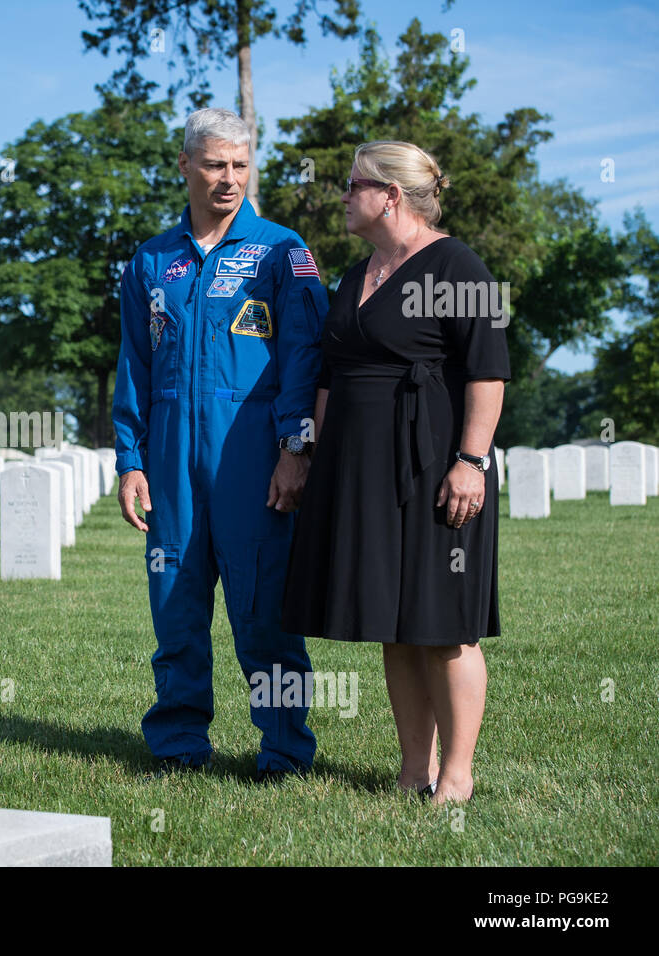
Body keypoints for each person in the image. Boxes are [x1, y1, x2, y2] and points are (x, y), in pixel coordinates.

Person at [281, 141, 509, 805]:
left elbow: (488, 371)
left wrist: (471, 462)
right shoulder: (357, 275)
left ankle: (458, 775)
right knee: (395, 622)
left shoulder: (457, 264)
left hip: (434, 465)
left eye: (354, 186)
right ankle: (415, 769)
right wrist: (315, 456)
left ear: (391, 195)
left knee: (443, 625)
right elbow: (329, 374)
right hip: (361, 473)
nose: (343, 196)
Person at [113, 108, 329, 781]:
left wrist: (297, 449)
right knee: (175, 607)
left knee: (264, 614)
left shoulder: (280, 251)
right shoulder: (152, 260)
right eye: (214, 164)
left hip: (253, 457)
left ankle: (285, 750)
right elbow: (134, 367)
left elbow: (307, 357)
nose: (228, 178)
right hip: (172, 458)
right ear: (185, 166)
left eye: (239, 165)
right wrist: (131, 459)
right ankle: (178, 744)